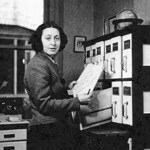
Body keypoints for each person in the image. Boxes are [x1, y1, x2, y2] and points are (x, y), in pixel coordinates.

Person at [24, 21, 92, 150]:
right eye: (48, 38)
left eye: (57, 38)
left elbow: (51, 92)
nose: (53, 43)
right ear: (39, 41)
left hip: (53, 128)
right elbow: (44, 105)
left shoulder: (47, 61)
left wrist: (67, 89)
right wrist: (77, 101)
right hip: (46, 131)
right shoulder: (38, 65)